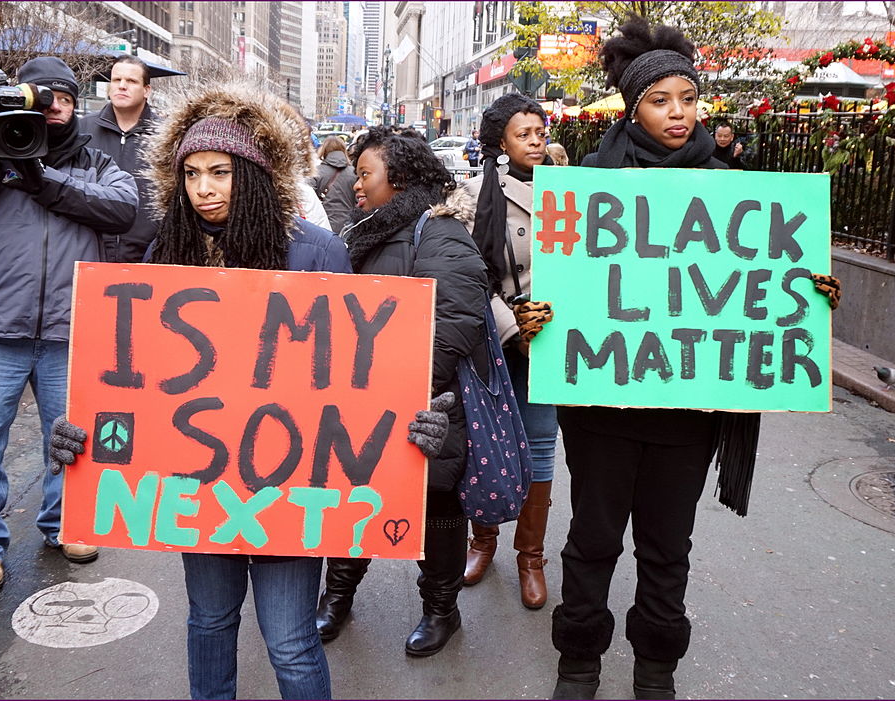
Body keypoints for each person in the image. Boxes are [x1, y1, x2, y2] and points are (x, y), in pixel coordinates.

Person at [49, 83, 455, 699]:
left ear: (257, 175)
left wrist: (411, 422)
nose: (203, 188)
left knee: (290, 637)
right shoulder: (169, 253)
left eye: (220, 172)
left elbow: (352, 374)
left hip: (289, 489)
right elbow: (136, 380)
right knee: (209, 621)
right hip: (198, 485)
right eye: (190, 174)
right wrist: (84, 430)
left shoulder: (314, 251)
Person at [544, 18, 840, 700]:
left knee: (665, 549)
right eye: (659, 99)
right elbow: (560, 289)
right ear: (632, 105)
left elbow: (764, 284)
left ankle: (656, 670)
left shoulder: (732, 186)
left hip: (687, 412)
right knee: (591, 542)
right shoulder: (590, 183)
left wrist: (813, 291)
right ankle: (578, 662)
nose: (677, 112)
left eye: (687, 97)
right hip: (601, 407)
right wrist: (540, 316)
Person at [0, 56, 138, 595]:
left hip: (70, 326)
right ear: (22, 97)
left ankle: (66, 525)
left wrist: (42, 178)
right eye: (42, 96)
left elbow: (122, 208)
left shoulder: (93, 159)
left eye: (63, 96)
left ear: (74, 103)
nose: (53, 106)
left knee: (68, 440)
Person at [314, 126, 489, 657]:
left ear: (402, 176)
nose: (358, 185)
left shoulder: (438, 234)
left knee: (436, 509)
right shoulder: (366, 232)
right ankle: (337, 596)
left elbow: (456, 321)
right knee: (355, 501)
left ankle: (442, 609)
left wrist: (396, 384)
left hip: (427, 410)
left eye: (366, 174)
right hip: (361, 407)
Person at [445, 93, 558, 610]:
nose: (534, 141)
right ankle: (482, 541)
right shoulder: (471, 196)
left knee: (539, 445)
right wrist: (513, 325)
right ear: (500, 142)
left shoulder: (572, 191)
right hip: (496, 336)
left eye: (539, 131)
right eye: (523, 133)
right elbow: (468, 277)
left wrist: (549, 324)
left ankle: (530, 557)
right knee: (485, 441)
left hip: (552, 338)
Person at [80, 55, 160, 263]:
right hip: (90, 253)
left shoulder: (165, 134)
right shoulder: (81, 130)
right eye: (116, 80)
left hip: (150, 256)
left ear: (146, 90)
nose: (122, 86)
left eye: (131, 81)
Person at [308, 135, 357, 233]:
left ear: (324, 150)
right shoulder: (354, 173)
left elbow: (308, 199)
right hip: (348, 227)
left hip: (322, 227)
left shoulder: (316, 172)